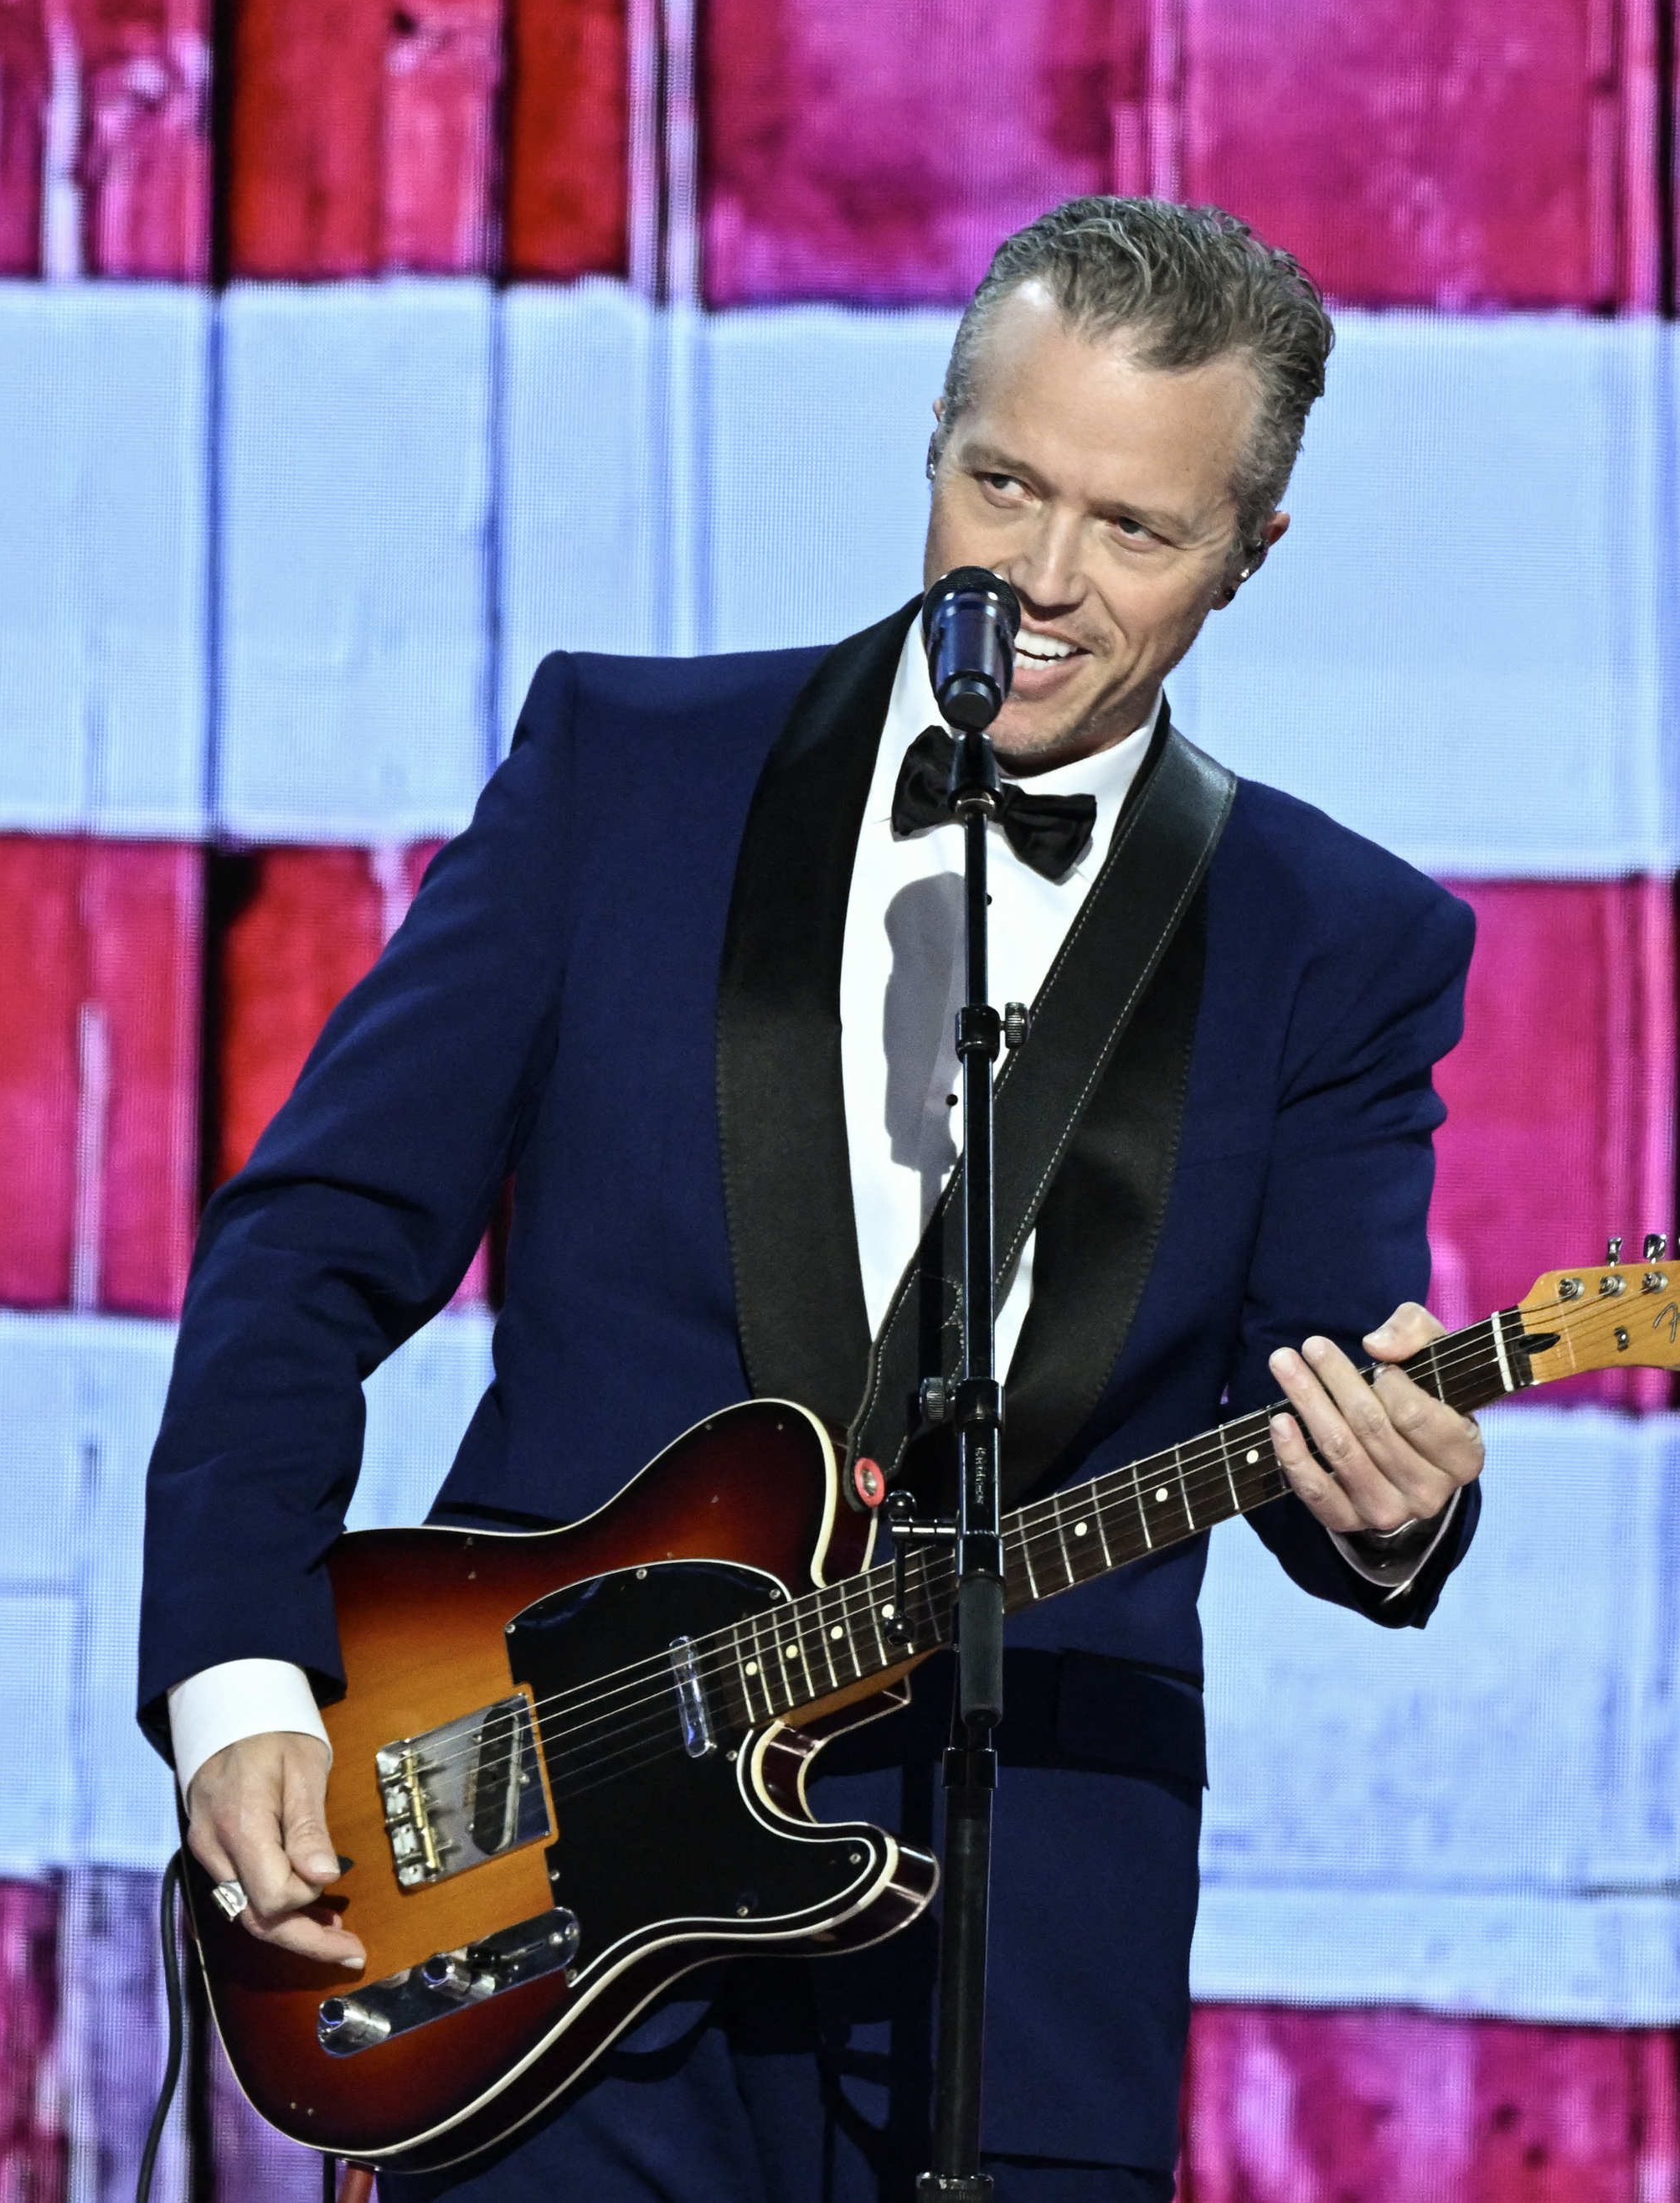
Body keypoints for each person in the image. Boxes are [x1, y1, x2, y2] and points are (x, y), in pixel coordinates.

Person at [140, 196, 1491, 2201]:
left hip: (1013, 1940)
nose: (1038, 577)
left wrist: (1396, 1498)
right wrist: (240, 1677)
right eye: (999, 481)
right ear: (930, 442)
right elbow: (311, 1238)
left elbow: (1320, 1390)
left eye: (1132, 530)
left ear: (1247, 557)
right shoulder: (625, 769)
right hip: (538, 1893)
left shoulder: (1337, 938)